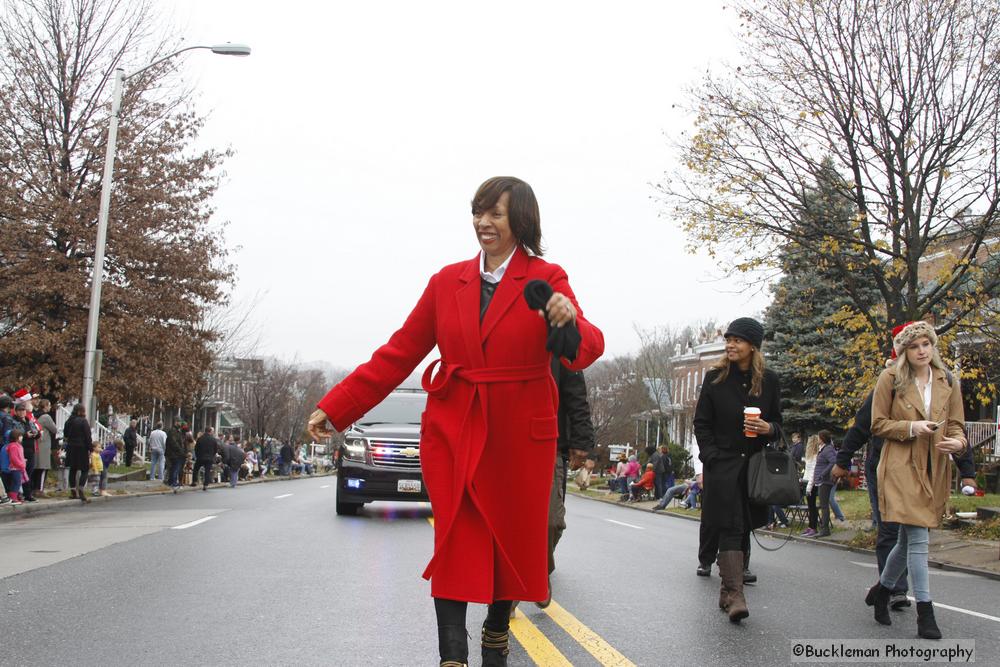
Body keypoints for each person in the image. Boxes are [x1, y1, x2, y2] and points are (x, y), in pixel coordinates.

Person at [306, 176, 604, 667]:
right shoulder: (447, 282)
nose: (483, 223)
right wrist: (336, 406)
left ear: (521, 220)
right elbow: (397, 354)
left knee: (507, 538)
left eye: (496, 214)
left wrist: (566, 317)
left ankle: (495, 628)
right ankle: (451, 656)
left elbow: (587, 349)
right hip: (456, 429)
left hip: (518, 435)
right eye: (478, 212)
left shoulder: (546, 277)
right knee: (456, 537)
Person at [867, 321, 971, 640]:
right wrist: (912, 428)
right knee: (918, 539)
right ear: (904, 351)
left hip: (934, 466)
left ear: (933, 346)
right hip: (900, 465)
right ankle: (925, 613)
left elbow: (955, 424)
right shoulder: (890, 378)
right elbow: (877, 424)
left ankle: (882, 591)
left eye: (926, 344)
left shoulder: (947, 380)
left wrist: (959, 443)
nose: (922, 350)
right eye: (914, 346)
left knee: (905, 540)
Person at [694, 317, 781, 623]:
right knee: (730, 526)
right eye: (728, 339)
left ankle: (726, 591)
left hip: (754, 469)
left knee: (743, 525)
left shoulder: (769, 380)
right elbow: (701, 423)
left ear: (753, 347)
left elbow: (780, 425)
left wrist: (768, 427)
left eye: (738, 340)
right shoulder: (715, 377)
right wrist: (711, 456)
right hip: (723, 465)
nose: (731, 345)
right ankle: (736, 594)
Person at [63, 404, 91, 502]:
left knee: (73, 469)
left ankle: (73, 490)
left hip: (71, 447)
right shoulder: (83, 421)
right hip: (82, 447)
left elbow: (65, 434)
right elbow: (88, 436)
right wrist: (90, 448)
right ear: (81, 411)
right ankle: (81, 487)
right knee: (85, 469)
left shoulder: (69, 421)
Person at [813, 430, 838, 537]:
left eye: (818, 437)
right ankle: (824, 527)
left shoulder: (827, 449)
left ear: (822, 438)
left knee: (824, 506)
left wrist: (822, 474)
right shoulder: (824, 449)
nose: (817, 439)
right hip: (821, 480)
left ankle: (825, 529)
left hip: (825, 481)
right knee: (823, 505)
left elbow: (833, 462)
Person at [35, 399, 57, 497]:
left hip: (36, 443)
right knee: (43, 468)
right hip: (44, 444)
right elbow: (54, 429)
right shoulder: (46, 417)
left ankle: (33, 488)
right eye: (49, 405)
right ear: (45, 406)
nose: (50, 407)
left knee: (35, 468)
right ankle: (40, 490)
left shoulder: (35, 415)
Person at [800, 435, 820, 537]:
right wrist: (803, 480)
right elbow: (807, 471)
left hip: (812, 484)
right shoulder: (810, 456)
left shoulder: (816, 457)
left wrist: (809, 486)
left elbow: (813, 473)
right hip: (807, 482)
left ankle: (813, 527)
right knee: (810, 506)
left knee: (812, 507)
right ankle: (810, 526)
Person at [3, 429, 27, 504]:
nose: (22, 437)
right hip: (15, 468)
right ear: (16, 437)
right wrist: (21, 464)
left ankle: (14, 497)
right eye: (20, 436)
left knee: (17, 483)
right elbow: (14, 458)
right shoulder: (13, 446)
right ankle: (13, 498)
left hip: (18, 467)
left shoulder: (18, 445)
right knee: (16, 483)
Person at [164, 421, 187, 490]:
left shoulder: (178, 432)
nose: (181, 424)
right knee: (175, 468)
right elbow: (174, 443)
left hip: (176, 453)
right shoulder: (173, 431)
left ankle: (171, 481)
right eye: (179, 422)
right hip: (174, 454)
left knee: (173, 468)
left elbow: (180, 443)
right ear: (176, 422)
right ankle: (173, 482)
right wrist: (181, 451)